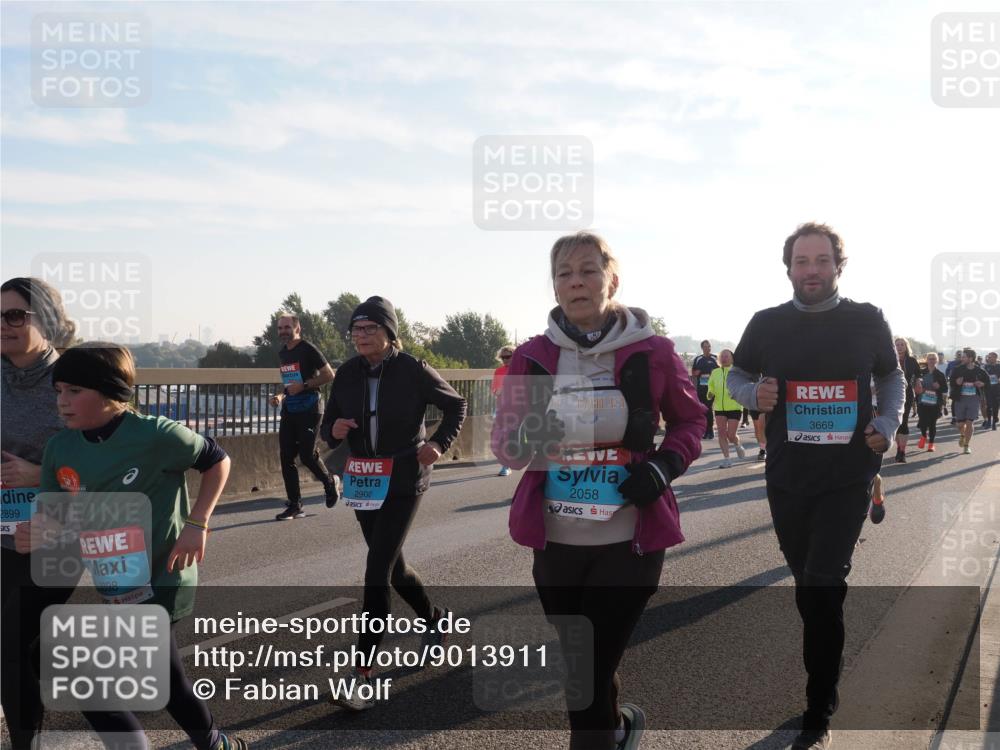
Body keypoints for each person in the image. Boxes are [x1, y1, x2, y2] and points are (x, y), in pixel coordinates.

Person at [492, 232, 705, 750]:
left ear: (612, 280)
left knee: (585, 670)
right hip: (556, 541)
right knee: (584, 663)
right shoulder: (533, 355)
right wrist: (531, 435)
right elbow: (506, 444)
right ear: (554, 286)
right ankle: (617, 729)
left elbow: (690, 421)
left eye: (588, 270)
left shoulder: (653, 351)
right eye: (564, 273)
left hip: (629, 540)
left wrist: (662, 468)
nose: (576, 282)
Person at [16, 343, 249, 750]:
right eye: (58, 391)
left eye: (74, 391)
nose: (62, 401)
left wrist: (197, 523)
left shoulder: (156, 435)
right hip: (116, 583)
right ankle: (215, 744)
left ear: (111, 393)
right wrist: (36, 532)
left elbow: (218, 460)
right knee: (166, 681)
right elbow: (55, 516)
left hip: (163, 576)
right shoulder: (60, 448)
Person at [727, 222, 903, 750]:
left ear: (838, 266)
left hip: (848, 475)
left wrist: (888, 422)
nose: (811, 271)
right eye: (802, 261)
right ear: (788, 268)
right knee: (808, 585)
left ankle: (818, 708)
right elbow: (737, 375)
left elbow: (891, 376)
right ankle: (823, 655)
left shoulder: (866, 319)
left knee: (824, 585)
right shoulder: (767, 323)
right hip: (787, 476)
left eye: (822, 261)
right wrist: (751, 395)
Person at [321, 296, 466, 711]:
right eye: (356, 329)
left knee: (376, 571)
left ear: (389, 333)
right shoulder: (347, 374)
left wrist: (439, 443)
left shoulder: (412, 369)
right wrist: (334, 429)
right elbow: (329, 428)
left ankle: (361, 675)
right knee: (395, 568)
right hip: (364, 480)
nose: (361, 336)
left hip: (404, 477)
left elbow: (456, 404)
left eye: (370, 328)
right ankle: (435, 619)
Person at [0, 278, 79, 750]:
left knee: (9, 645)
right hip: (4, 534)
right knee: (22, 648)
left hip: (58, 537)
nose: (3, 325)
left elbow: (104, 457)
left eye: (14, 315)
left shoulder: (72, 379)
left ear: (45, 319)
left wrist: (40, 473)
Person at [269, 313, 339, 520]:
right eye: (280, 328)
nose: (283, 331)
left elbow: (329, 375)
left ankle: (330, 482)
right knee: (286, 457)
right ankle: (295, 505)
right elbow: (290, 384)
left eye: (287, 327)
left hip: (310, 408)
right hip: (290, 409)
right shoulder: (283, 353)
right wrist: (280, 395)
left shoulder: (308, 348)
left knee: (307, 455)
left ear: (297, 328)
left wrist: (305, 385)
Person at [706, 349, 746, 468]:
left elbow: (743, 385)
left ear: (732, 358)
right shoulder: (715, 372)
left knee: (731, 435)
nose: (724, 358)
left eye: (726, 356)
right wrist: (710, 393)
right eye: (722, 356)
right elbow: (711, 385)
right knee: (722, 433)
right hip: (719, 407)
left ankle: (737, 444)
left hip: (734, 406)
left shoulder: (736, 372)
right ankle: (727, 459)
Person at [949, 348, 989, 455]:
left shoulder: (979, 370)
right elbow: (951, 381)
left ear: (971, 358)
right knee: (960, 424)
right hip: (960, 399)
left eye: (964, 357)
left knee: (970, 422)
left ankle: (966, 445)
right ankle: (962, 435)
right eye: (962, 356)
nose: (962, 358)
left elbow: (987, 381)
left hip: (973, 399)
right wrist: (956, 382)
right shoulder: (957, 369)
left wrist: (982, 384)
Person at [893, 338, 920, 463]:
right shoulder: (890, 359)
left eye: (902, 344)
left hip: (907, 393)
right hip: (892, 394)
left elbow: (918, 374)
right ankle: (899, 447)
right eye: (897, 345)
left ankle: (902, 451)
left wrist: (918, 382)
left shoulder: (911, 360)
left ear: (906, 346)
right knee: (896, 422)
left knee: (904, 422)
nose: (899, 347)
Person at [914, 352, 947, 451]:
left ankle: (931, 444)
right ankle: (924, 436)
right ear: (926, 360)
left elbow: (945, 389)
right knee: (923, 422)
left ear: (936, 360)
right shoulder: (921, 372)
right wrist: (918, 388)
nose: (932, 361)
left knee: (932, 423)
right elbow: (914, 384)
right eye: (930, 359)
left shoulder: (940, 374)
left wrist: (939, 387)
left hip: (935, 403)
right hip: (922, 401)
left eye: (933, 359)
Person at [492, 345, 515, 476]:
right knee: (501, 438)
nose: (505, 360)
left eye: (508, 357)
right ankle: (505, 466)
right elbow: (495, 391)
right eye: (503, 357)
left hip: (519, 409)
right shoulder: (499, 371)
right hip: (502, 409)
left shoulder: (521, 370)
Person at [691, 340, 718, 440]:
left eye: (709, 346)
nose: (708, 348)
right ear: (702, 348)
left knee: (709, 407)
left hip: (712, 387)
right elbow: (693, 373)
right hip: (701, 387)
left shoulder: (715, 358)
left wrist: (713, 373)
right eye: (705, 347)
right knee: (703, 409)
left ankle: (710, 430)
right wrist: (698, 372)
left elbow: (721, 371)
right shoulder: (698, 359)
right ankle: (705, 430)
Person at [945, 350, 962, 424]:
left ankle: (961, 417)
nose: (959, 356)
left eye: (960, 355)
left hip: (963, 384)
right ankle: (954, 417)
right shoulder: (951, 363)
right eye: (958, 354)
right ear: (956, 355)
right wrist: (947, 378)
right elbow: (947, 372)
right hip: (953, 385)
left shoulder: (964, 363)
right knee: (954, 400)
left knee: (962, 401)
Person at [984, 351, 999, 430]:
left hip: (997, 389)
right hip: (988, 389)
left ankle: (994, 421)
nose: (988, 358)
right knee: (989, 405)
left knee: (996, 406)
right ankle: (989, 421)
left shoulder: (999, 366)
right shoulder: (986, 367)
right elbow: (982, 376)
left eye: (990, 357)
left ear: (995, 358)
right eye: (988, 357)